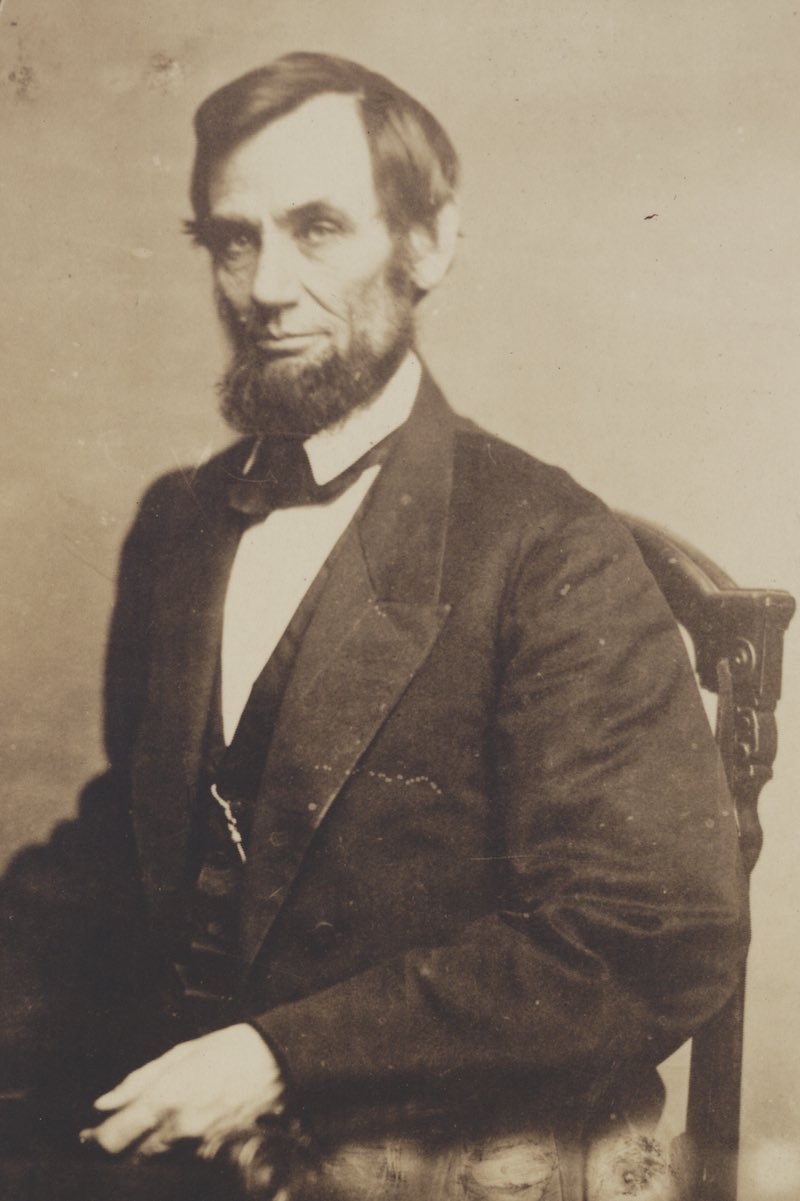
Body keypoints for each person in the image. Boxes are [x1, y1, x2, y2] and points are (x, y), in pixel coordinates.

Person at [1, 52, 746, 1198]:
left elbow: (649, 928)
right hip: (181, 1144)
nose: (263, 287)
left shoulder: (546, 547)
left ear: (428, 244)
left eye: (316, 230)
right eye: (232, 239)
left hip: (429, 1150)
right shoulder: (180, 522)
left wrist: (279, 1057)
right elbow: (141, 841)